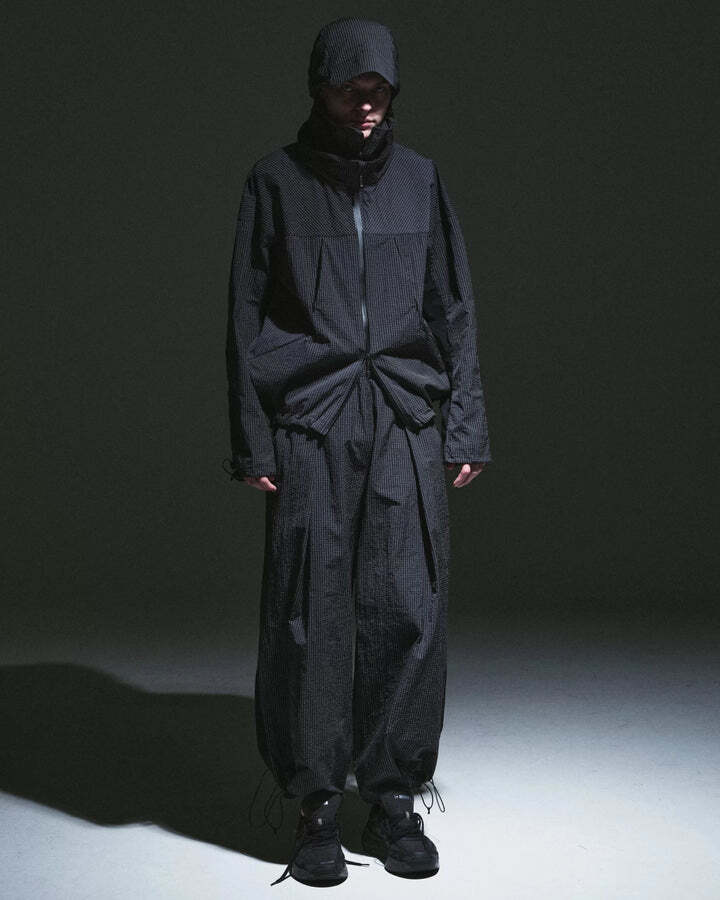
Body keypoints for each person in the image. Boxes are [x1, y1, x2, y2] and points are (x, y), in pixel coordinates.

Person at [223, 16, 492, 887]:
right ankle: (315, 806)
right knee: (309, 613)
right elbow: (244, 315)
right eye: (351, 90)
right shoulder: (276, 182)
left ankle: (394, 796)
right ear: (321, 89)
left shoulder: (421, 180)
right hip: (313, 420)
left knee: (409, 605)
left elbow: (453, 308)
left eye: (379, 90)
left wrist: (465, 424)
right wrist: (253, 436)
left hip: (408, 416)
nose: (367, 105)